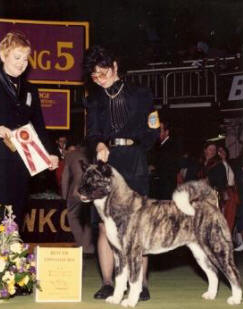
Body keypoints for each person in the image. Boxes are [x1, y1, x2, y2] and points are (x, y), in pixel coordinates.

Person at [83, 45, 158, 301]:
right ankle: (107, 283)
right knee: (104, 225)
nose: (100, 80)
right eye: (94, 76)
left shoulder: (141, 94)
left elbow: (153, 129)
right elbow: (92, 133)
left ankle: (142, 283)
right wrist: (99, 144)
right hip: (106, 163)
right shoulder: (93, 100)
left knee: (138, 225)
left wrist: (137, 150)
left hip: (134, 161)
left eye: (103, 73)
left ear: (115, 66)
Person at [0, 31, 59, 231]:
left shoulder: (31, 89)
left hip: (19, 164)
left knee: (12, 219)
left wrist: (51, 153)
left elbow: (39, 126)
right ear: (3, 55)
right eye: (17, 57)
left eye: (25, 58)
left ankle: (8, 261)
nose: (22, 63)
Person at [61, 144, 94, 254]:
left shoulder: (69, 156)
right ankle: (89, 247)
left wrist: (64, 195)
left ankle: (81, 246)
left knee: (73, 217)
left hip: (76, 190)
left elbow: (65, 177)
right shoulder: (86, 154)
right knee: (88, 219)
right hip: (90, 187)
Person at [148, 119, 180, 199]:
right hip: (162, 187)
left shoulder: (170, 146)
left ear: (166, 132)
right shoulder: (160, 146)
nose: (157, 133)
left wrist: (153, 168)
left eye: (159, 131)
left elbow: (168, 167)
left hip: (165, 189)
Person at [196, 142, 227, 208]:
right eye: (210, 149)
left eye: (214, 150)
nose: (213, 151)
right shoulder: (200, 163)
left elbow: (221, 180)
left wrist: (209, 180)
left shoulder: (218, 164)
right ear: (205, 150)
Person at [217, 145, 240, 232]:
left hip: (232, 192)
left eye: (223, 150)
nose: (221, 152)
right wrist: (223, 191)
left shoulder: (231, 163)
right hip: (223, 193)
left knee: (231, 218)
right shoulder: (216, 165)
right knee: (222, 218)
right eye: (219, 151)